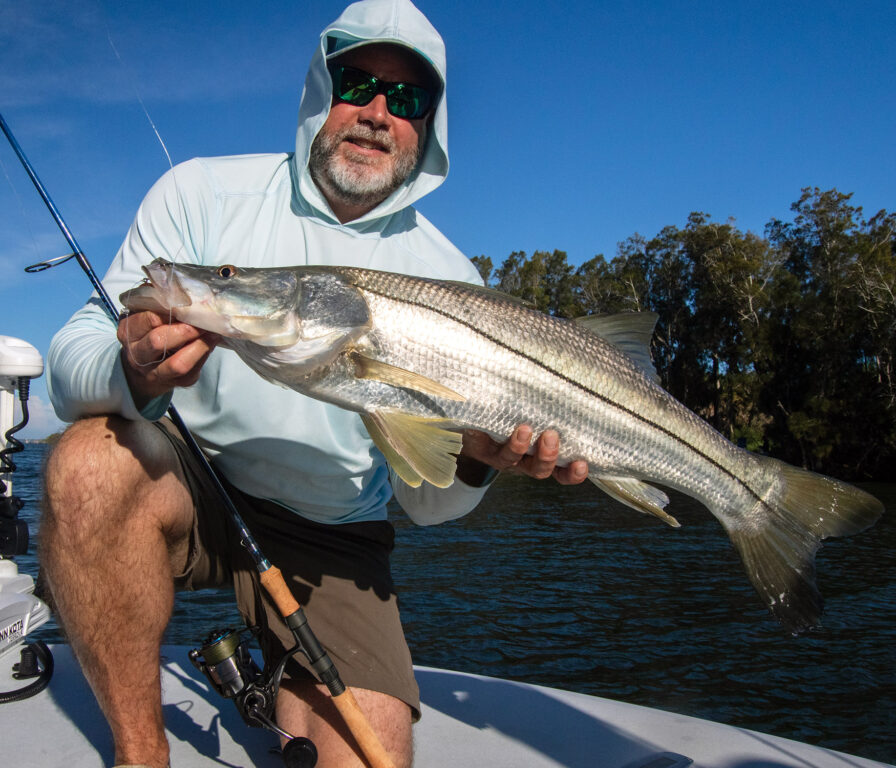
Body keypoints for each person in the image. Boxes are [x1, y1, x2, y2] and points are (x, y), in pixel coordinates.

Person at [41, 1, 588, 767]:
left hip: (335, 534)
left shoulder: (454, 277)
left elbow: (430, 503)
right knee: (86, 461)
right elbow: (74, 350)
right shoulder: (200, 194)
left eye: (406, 98)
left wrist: (475, 459)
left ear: (428, 126)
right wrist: (128, 368)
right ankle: (142, 755)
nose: (375, 112)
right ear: (316, 92)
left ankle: (281, 677)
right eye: (356, 83)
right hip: (189, 481)